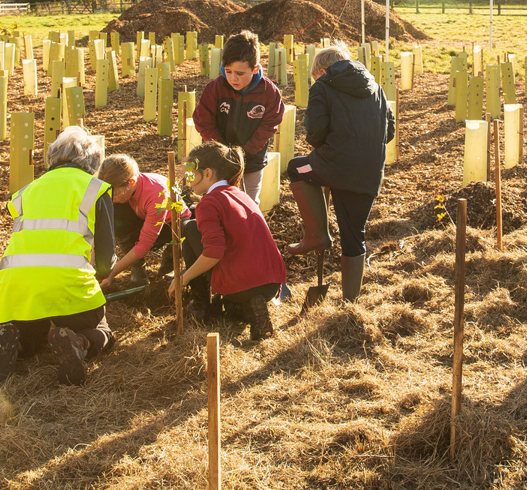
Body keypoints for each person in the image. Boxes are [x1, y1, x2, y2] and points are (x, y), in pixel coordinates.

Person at [0, 126, 116, 386]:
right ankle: (79, 342)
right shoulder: (95, 189)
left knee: (34, 334)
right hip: (68, 285)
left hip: (16, 288)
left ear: (53, 156)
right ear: (94, 160)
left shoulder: (25, 192)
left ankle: (19, 342)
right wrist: (102, 275)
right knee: (103, 331)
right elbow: (105, 261)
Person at [284, 42, 395, 302]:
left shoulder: (322, 86)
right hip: (368, 173)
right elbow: (388, 132)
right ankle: (350, 302)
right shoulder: (376, 89)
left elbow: (315, 133)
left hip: (332, 166)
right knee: (354, 233)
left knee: (296, 168)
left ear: (322, 71)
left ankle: (316, 235)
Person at [168, 141, 286, 341]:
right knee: (231, 309)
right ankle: (246, 308)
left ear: (207, 174)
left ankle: (202, 305)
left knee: (190, 228)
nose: (188, 181)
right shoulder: (242, 195)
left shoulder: (209, 202)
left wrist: (184, 277)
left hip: (242, 283)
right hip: (271, 282)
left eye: (191, 174)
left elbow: (214, 251)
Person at [193, 30, 285, 205]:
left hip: (252, 159)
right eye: (228, 71)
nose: (233, 78)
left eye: (240, 74)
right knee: (216, 201)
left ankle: (247, 231)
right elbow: (203, 120)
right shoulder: (216, 88)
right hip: (217, 160)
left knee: (249, 202)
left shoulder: (269, 93)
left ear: (255, 68)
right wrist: (221, 151)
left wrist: (246, 151)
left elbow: (269, 125)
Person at [96, 154, 174, 288]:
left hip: (168, 225)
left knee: (184, 228)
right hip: (141, 217)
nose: (112, 199)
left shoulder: (156, 195)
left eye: (115, 195)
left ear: (131, 182)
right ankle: (137, 265)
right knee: (116, 214)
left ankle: (170, 258)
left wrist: (111, 273)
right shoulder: (123, 189)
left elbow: (144, 244)